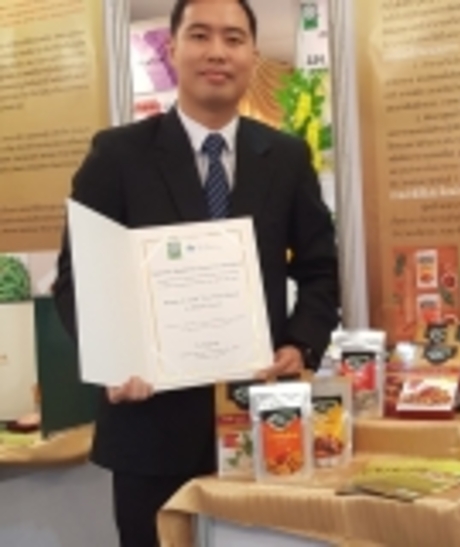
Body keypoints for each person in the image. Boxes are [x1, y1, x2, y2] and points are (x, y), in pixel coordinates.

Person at [52, 0, 339, 545]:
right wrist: (112, 358)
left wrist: (301, 343)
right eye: (200, 35)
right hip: (149, 428)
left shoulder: (285, 157)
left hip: (261, 420)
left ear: (253, 55)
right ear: (172, 48)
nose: (217, 52)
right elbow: (78, 277)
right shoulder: (118, 155)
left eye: (233, 39)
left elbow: (320, 268)